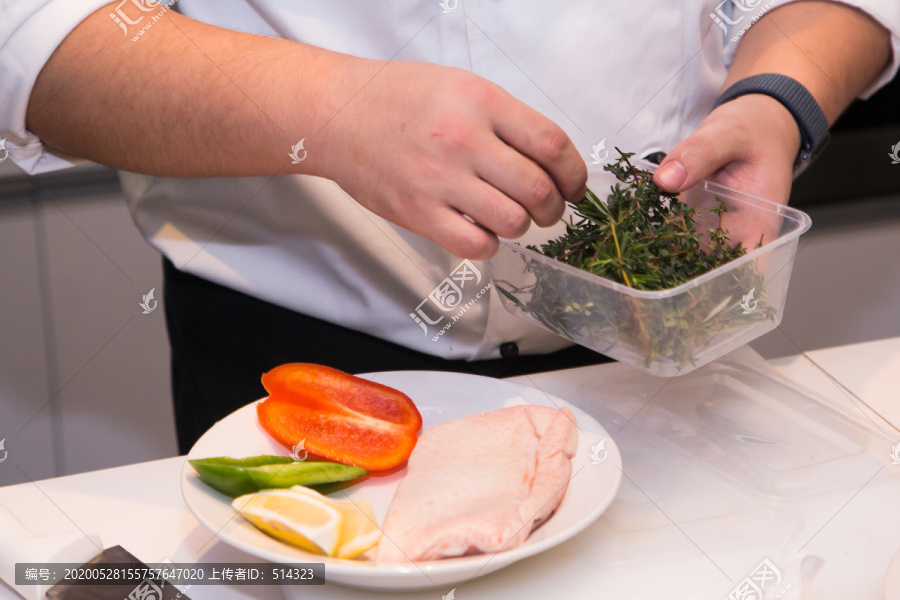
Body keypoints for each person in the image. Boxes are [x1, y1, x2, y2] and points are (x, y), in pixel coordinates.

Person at [2, 0, 896, 452]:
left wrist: (781, 96)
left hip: (664, 329)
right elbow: (31, 32)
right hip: (298, 358)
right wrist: (334, 110)